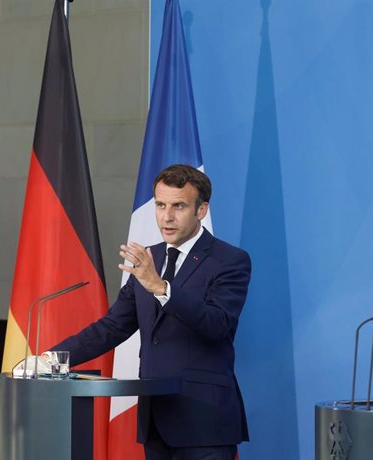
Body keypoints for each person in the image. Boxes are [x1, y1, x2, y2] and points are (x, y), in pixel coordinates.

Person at [53, 164, 251, 460]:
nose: (166, 217)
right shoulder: (150, 257)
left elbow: (218, 325)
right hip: (156, 419)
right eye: (160, 205)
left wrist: (161, 287)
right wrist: (52, 358)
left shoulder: (229, 260)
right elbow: (112, 327)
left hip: (204, 423)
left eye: (178, 206)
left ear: (201, 210)